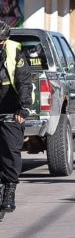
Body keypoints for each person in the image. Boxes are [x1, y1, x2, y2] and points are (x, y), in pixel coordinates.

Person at [0, 20, 32, 221]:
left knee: (11, 151)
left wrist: (24, 107)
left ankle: (10, 188)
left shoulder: (14, 52)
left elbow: (24, 81)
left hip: (10, 107)